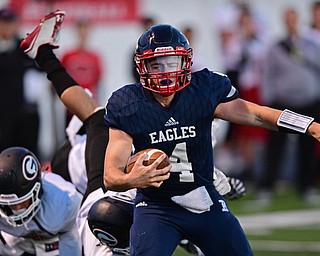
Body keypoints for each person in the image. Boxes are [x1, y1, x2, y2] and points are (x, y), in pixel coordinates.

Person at [19, 10, 246, 256]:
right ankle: (42, 53)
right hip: (103, 176)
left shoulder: (84, 216)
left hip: (80, 168)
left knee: (96, 118)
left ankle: (43, 54)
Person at [101, 23, 320, 255]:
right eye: (156, 64)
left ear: (185, 62)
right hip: (157, 207)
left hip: (203, 199)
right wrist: (132, 179)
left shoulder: (204, 90)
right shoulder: (128, 104)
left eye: (171, 63)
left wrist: (310, 126)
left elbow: (257, 115)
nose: (165, 72)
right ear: (141, 66)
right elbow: (110, 175)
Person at [259, 7, 320, 200]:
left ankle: (306, 186)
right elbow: (268, 74)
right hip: (284, 102)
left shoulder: (310, 44)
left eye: (294, 19)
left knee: (307, 146)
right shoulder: (276, 47)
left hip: (309, 101)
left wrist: (301, 51)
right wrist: (267, 100)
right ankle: (268, 186)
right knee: (276, 146)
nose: (291, 23)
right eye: (288, 19)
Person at [0, 147, 82, 255]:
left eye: (21, 202)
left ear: (37, 190)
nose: (17, 209)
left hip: (52, 244)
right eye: (9, 205)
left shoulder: (66, 202)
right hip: (14, 244)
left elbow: (72, 245)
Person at [0, 7, 41, 156]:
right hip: (3, 116)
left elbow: (41, 68)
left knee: (27, 154)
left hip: (24, 115)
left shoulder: (24, 48)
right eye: (4, 23)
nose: (7, 27)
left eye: (10, 22)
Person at [61, 18, 103, 124]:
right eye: (80, 29)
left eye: (85, 29)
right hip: (72, 107)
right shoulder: (68, 56)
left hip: (90, 107)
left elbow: (98, 82)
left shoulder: (94, 57)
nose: (82, 32)